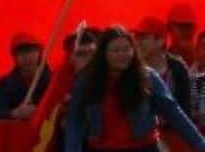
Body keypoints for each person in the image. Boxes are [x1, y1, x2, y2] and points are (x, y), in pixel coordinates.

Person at [64, 26, 205, 152]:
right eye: (115, 50)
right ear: (103, 53)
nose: (122, 54)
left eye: (126, 49)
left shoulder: (147, 77)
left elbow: (174, 113)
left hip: (143, 147)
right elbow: (75, 120)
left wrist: (200, 144)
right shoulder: (87, 80)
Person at [136, 16, 193, 117]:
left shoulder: (177, 69)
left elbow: (185, 109)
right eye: (136, 37)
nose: (138, 42)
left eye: (143, 37)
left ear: (160, 41)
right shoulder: (133, 68)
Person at [0, 32, 52, 120]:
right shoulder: (3, 85)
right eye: (21, 52)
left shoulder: (53, 82)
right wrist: (14, 113)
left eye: (31, 50)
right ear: (14, 57)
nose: (27, 57)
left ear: (39, 52)